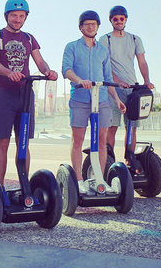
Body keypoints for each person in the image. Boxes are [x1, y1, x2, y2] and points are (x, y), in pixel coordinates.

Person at [0, 0, 58, 195]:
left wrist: (48, 72)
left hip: (25, 94)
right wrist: (9, 72)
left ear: (25, 17)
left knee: (23, 142)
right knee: (2, 142)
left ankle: (24, 188)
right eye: (14, 15)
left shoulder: (29, 38)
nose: (17, 19)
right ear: (6, 16)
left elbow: (40, 62)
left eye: (21, 16)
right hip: (3, 93)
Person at [62, 10, 126, 193]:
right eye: (87, 24)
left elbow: (107, 78)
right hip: (80, 99)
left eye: (94, 24)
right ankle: (79, 181)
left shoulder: (103, 51)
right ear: (81, 27)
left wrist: (116, 99)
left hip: (103, 99)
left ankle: (100, 179)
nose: (90, 27)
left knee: (101, 139)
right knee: (78, 140)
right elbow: (66, 70)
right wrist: (79, 80)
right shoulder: (72, 47)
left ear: (98, 27)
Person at [98, 5, 154, 161]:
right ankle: (109, 162)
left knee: (132, 128)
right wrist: (118, 81)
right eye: (115, 19)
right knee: (112, 128)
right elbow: (105, 66)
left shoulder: (135, 39)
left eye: (121, 19)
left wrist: (147, 81)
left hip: (132, 89)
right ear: (111, 21)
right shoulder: (105, 39)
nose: (118, 21)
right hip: (114, 89)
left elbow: (142, 62)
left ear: (125, 20)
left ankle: (129, 161)